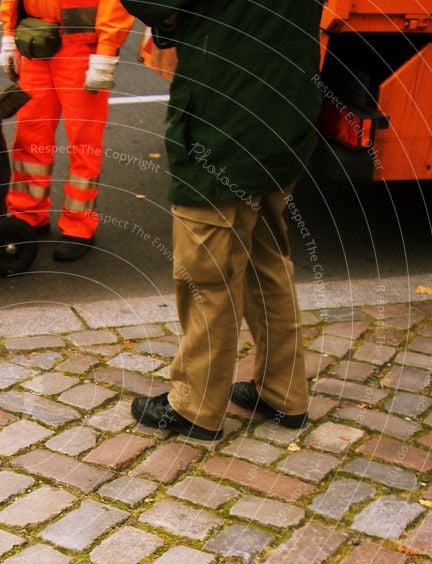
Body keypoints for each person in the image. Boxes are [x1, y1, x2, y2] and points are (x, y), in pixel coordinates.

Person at [122, 0, 324, 439]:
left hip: (223, 116)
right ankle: (283, 393)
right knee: (267, 257)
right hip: (286, 106)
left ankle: (196, 405)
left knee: (205, 273)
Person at [0, 0, 135, 261]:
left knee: (84, 144)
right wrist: (9, 36)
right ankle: (28, 215)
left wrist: (106, 52)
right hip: (36, 42)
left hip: (82, 50)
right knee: (30, 137)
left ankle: (79, 227)